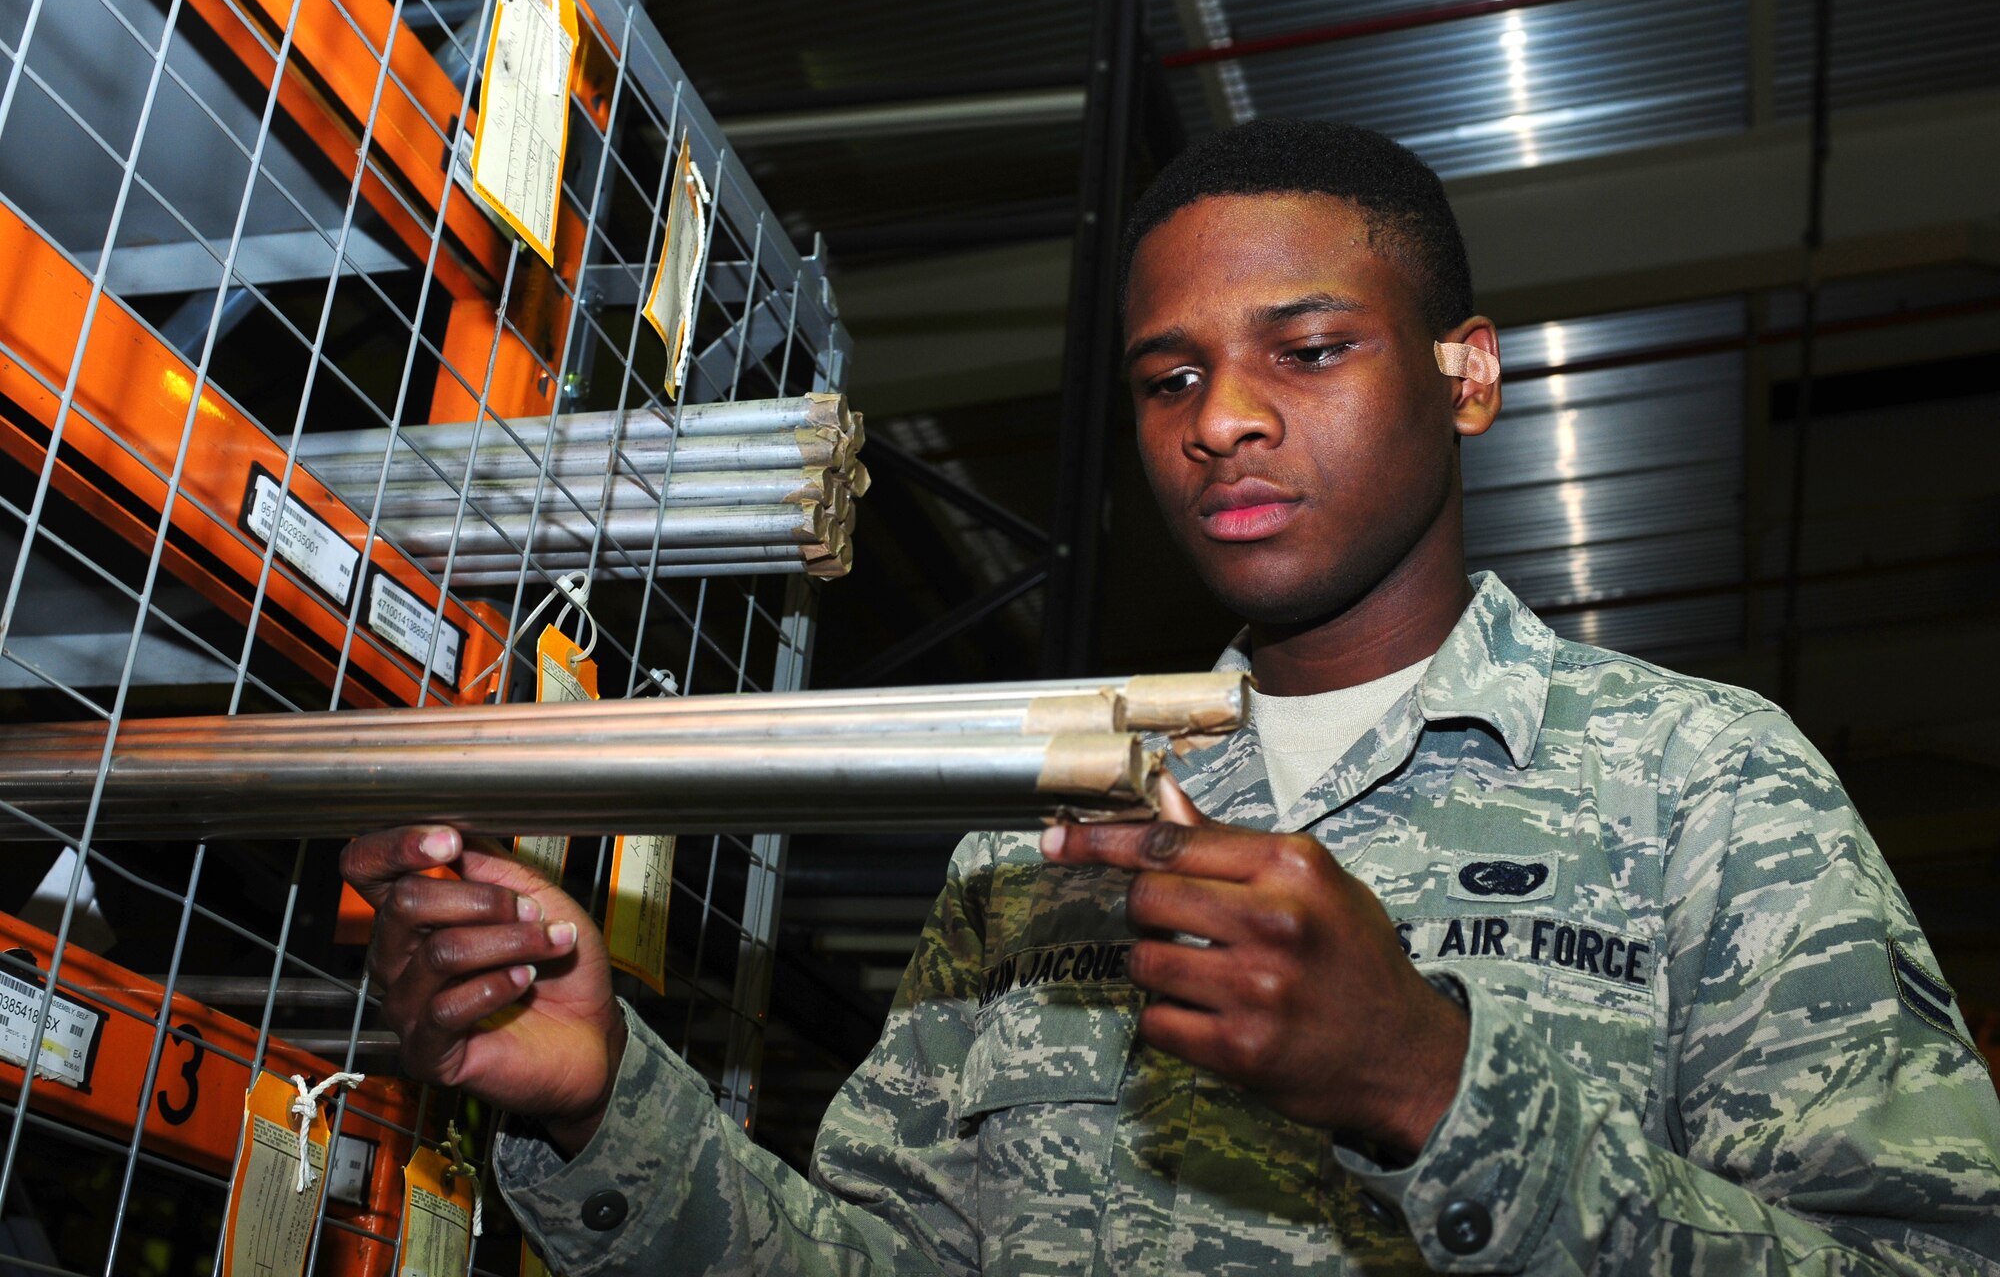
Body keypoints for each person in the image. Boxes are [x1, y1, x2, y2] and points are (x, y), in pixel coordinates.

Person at [341, 119, 2000, 1274]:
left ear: (1466, 373)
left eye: (1309, 349)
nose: (1224, 419)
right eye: (1171, 377)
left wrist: (1435, 1089)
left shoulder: (1702, 783)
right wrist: (605, 1103)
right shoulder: (1041, 830)